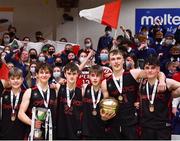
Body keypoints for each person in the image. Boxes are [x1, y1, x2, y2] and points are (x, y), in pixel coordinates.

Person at [100, 49, 166, 139]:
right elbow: (106, 105)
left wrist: (162, 81)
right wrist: (104, 117)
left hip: (132, 123)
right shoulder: (105, 83)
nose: (116, 62)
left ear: (123, 60)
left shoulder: (133, 73)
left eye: (118, 58)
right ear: (109, 62)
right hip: (114, 124)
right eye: (113, 59)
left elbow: (156, 72)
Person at [136, 56, 180, 140]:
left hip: (163, 127)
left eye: (153, 68)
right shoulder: (140, 83)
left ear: (158, 69)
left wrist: (173, 94)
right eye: (147, 68)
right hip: (145, 127)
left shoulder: (167, 83)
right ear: (144, 69)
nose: (149, 70)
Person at [18, 63, 57, 140]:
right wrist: (32, 122)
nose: (44, 75)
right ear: (37, 75)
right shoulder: (29, 91)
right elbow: (20, 113)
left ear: (50, 75)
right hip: (34, 132)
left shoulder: (54, 91)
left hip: (50, 131)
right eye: (41, 72)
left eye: (46, 72)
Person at [56, 62, 83, 139]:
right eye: (69, 73)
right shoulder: (58, 87)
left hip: (75, 130)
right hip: (61, 130)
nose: (71, 76)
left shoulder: (82, 91)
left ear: (77, 74)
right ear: (65, 74)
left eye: (74, 74)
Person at [0, 68, 26, 139]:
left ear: (22, 79)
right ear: (8, 80)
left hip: (21, 134)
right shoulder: (3, 93)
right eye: (12, 78)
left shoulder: (26, 94)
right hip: (4, 134)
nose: (15, 81)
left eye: (18, 78)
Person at [82, 65, 105, 139]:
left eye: (97, 76)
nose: (95, 78)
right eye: (92, 75)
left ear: (101, 76)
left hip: (101, 129)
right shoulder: (85, 87)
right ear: (89, 76)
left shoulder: (105, 90)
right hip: (87, 130)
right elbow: (75, 72)